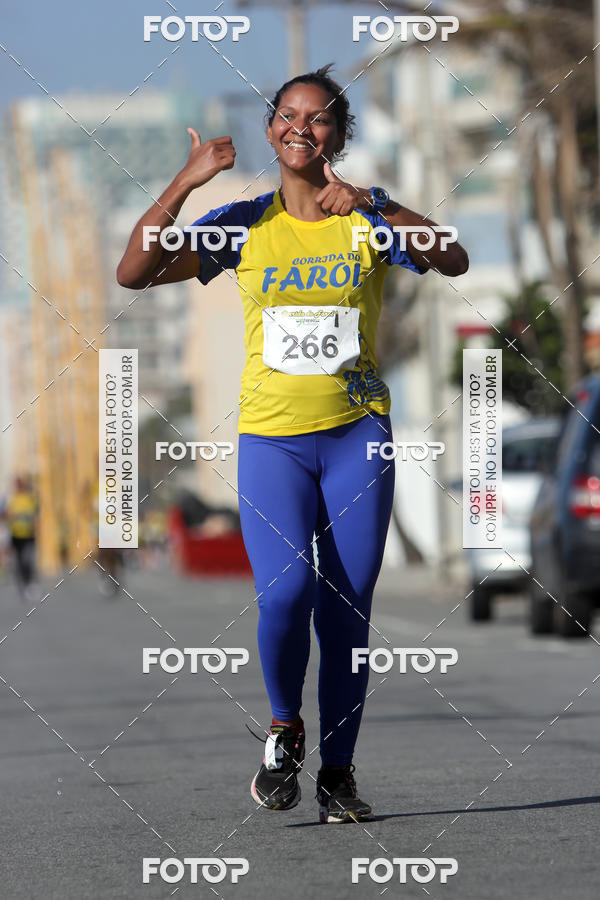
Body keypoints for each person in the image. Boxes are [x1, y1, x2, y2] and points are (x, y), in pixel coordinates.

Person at [117, 64, 468, 822]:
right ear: (271, 128)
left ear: (339, 134)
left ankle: (338, 775)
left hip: (357, 443)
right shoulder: (244, 223)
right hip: (273, 443)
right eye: (287, 115)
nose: (300, 127)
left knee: (346, 612)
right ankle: (284, 728)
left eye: (318, 118)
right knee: (283, 594)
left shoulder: (366, 221)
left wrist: (376, 200)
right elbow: (135, 272)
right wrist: (186, 179)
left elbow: (452, 255)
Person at [4, 476, 37, 602]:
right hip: (16, 535)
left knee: (27, 560)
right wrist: (11, 515)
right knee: (18, 562)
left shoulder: (29, 499)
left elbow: (35, 515)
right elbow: (6, 514)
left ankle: (29, 583)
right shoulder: (12, 500)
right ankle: (23, 584)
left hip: (28, 535)